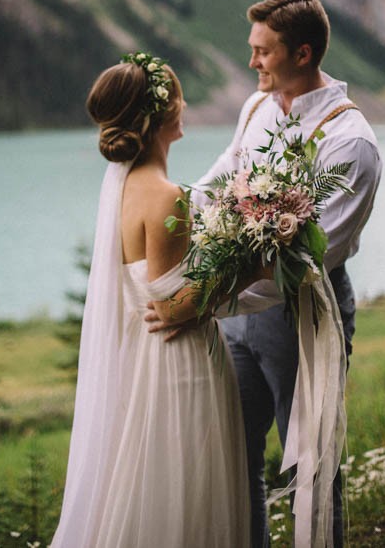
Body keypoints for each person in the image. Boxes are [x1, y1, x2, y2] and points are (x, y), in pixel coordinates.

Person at [51, 52, 273, 548]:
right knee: (189, 486)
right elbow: (176, 303)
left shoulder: (127, 186)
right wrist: (253, 266)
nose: (186, 103)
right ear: (159, 114)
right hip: (180, 363)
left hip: (148, 355)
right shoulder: (166, 195)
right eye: (176, 95)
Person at [191, 0, 382, 548]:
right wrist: (169, 215)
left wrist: (207, 297)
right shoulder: (255, 107)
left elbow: (314, 258)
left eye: (263, 52)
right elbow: (224, 177)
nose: (251, 62)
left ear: (303, 54)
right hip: (234, 315)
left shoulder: (352, 143)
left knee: (310, 465)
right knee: (235, 456)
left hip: (304, 316)